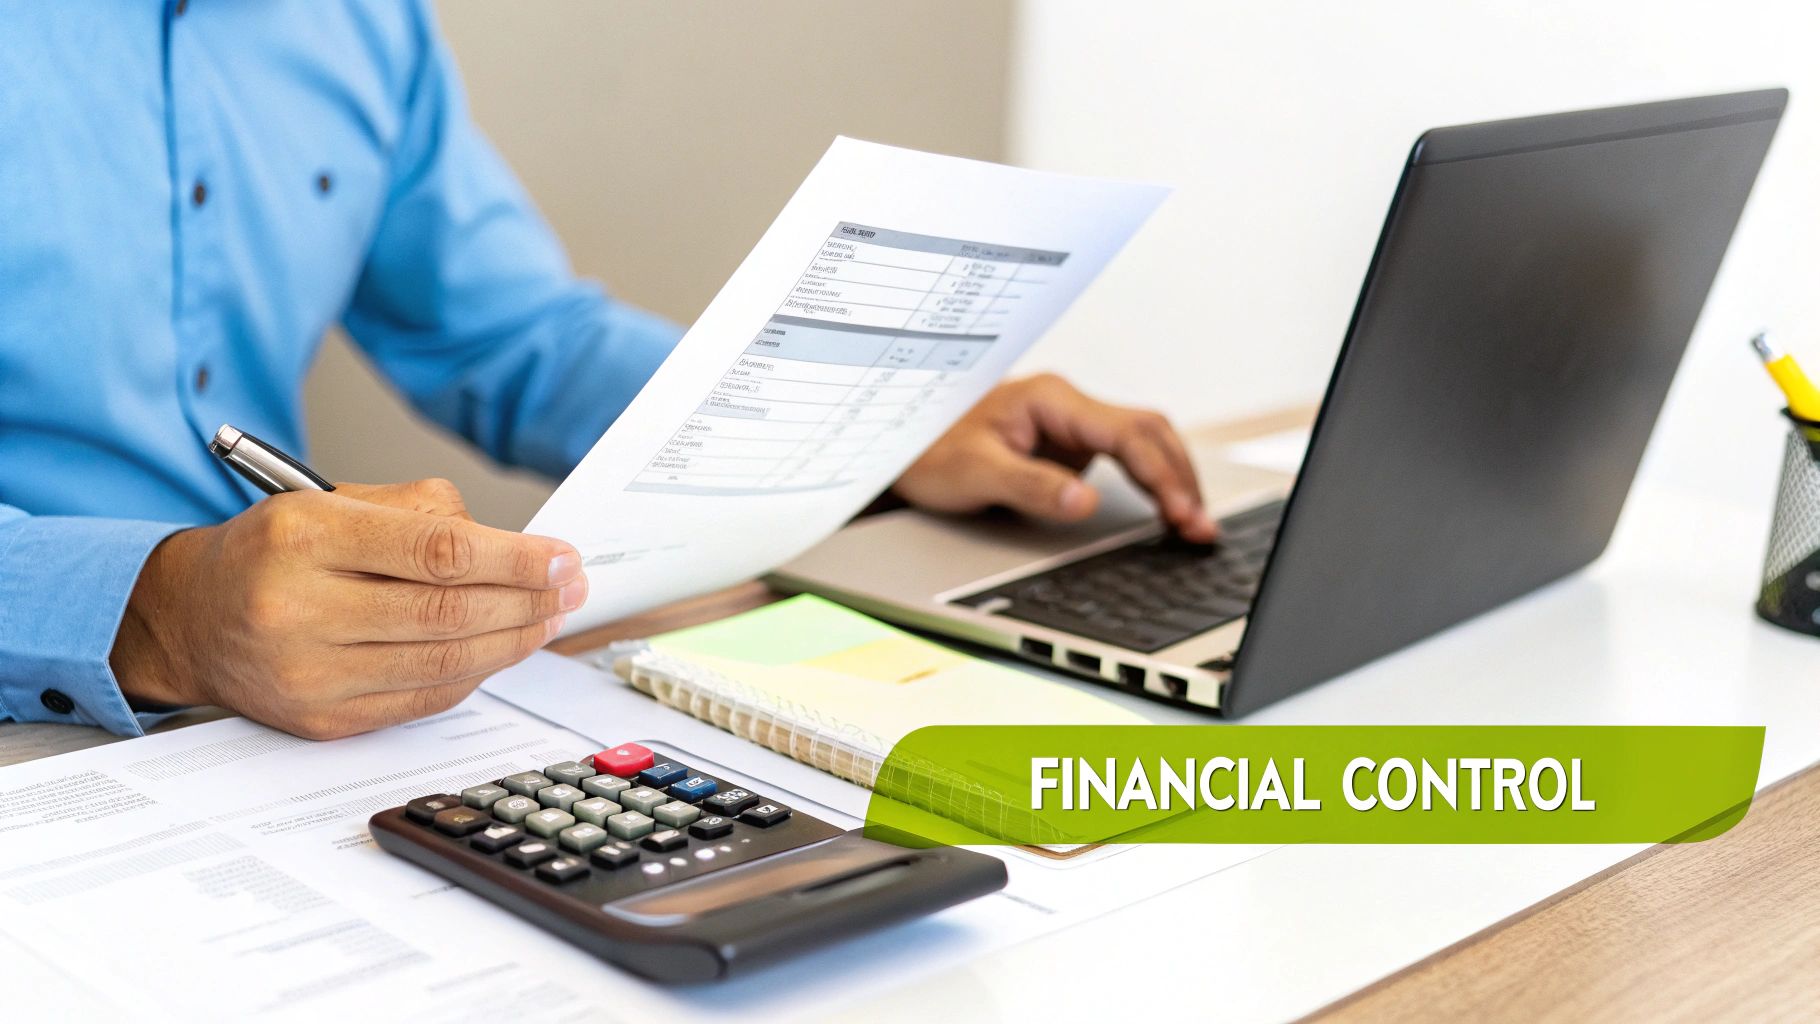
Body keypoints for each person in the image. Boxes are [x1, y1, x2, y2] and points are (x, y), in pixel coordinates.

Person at [0, 2, 1214, 741]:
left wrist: (874, 426)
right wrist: (155, 607)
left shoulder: (358, 18)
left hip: (279, 724)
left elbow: (508, 335)